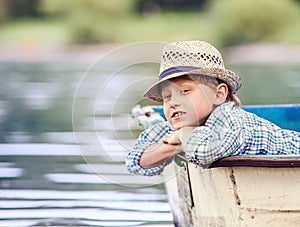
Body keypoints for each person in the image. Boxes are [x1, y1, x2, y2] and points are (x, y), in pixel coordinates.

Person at [126, 40, 300, 176]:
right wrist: (176, 145)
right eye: (167, 97)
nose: (173, 102)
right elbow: (136, 160)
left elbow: (210, 151)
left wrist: (182, 136)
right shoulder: (181, 124)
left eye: (185, 91)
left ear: (218, 95)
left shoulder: (231, 119)